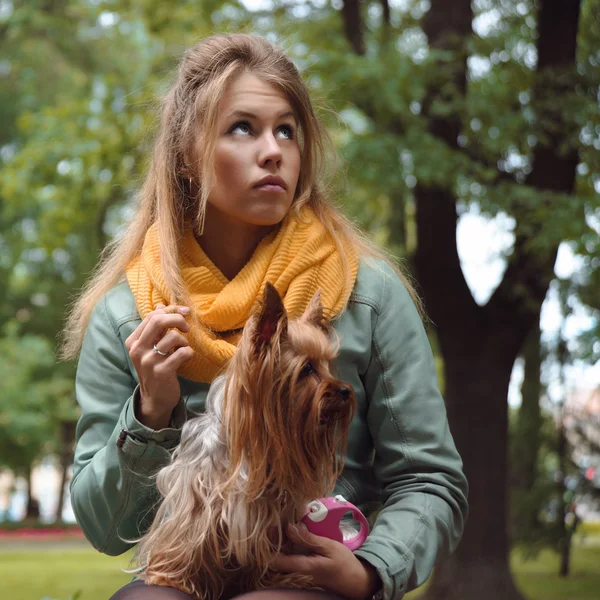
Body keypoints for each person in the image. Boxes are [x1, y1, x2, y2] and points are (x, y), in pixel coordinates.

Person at [62, 33, 468, 600]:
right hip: (188, 575)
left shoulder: (365, 293)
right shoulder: (131, 314)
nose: (273, 150)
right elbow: (108, 531)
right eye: (242, 128)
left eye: (287, 130)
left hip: (314, 572)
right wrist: (152, 413)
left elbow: (430, 478)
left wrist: (371, 569)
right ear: (186, 155)